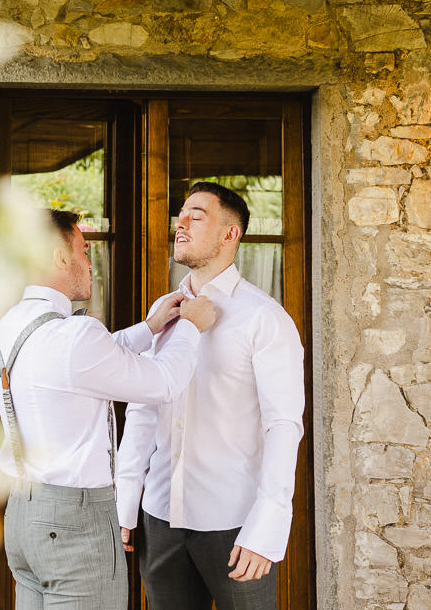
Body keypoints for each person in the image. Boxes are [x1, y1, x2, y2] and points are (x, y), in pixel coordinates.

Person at [0, 208, 216, 610]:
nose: (91, 263)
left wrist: (149, 329)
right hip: (76, 524)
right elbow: (162, 383)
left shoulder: (5, 327)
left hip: (22, 516)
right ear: (59, 256)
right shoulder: (75, 335)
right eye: (84, 248)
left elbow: (85, 366)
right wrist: (191, 329)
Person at [116, 181, 305, 610]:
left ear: (229, 234)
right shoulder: (163, 313)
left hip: (235, 523)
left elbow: (284, 425)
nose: (179, 224)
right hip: (159, 518)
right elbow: (144, 409)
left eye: (195, 216)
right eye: (180, 216)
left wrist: (268, 523)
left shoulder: (265, 319)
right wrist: (126, 497)